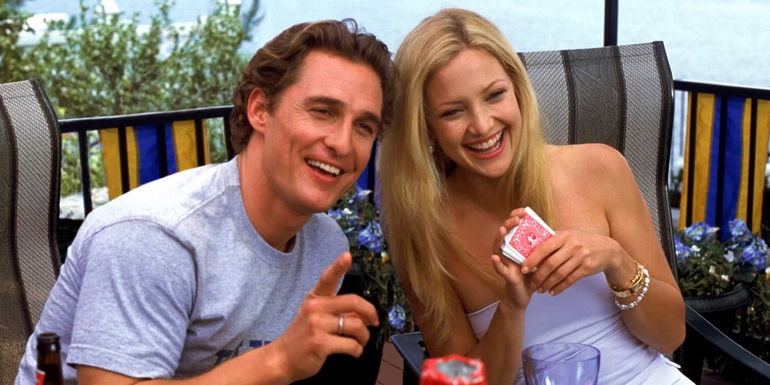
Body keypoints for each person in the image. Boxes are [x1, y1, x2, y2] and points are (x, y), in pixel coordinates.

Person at [16, 18, 392, 385]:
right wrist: (279, 361)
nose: (343, 143)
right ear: (260, 109)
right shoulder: (155, 236)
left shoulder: (325, 246)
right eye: (323, 111)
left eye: (363, 126)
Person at [378, 8, 691, 385]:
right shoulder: (424, 231)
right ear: (426, 126)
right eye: (453, 111)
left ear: (518, 91)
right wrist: (512, 306)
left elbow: (672, 335)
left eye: (494, 95)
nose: (482, 125)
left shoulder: (600, 168)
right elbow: (461, 380)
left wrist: (616, 261)